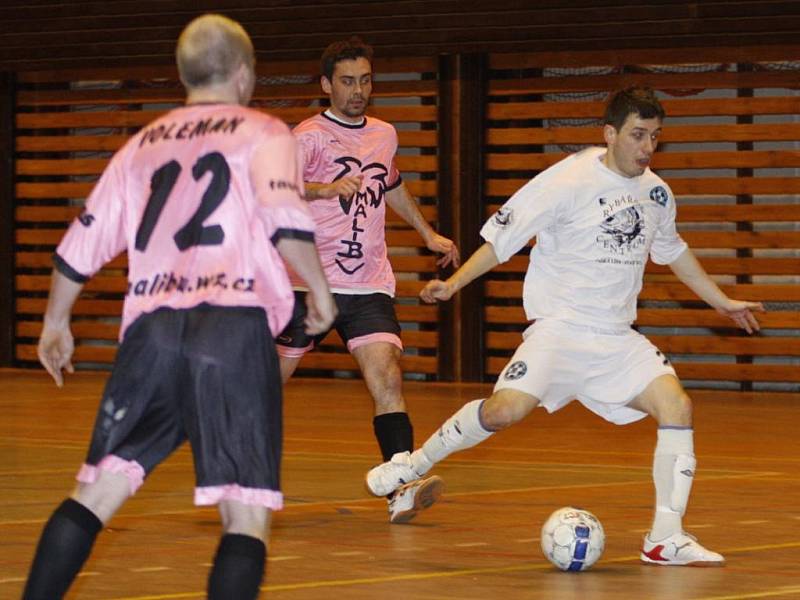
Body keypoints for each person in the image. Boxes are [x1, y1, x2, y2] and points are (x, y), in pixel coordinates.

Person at [366, 87, 765, 565]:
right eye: (638, 135)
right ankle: (413, 465)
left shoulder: (656, 192)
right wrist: (452, 285)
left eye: (655, 137)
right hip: (559, 329)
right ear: (610, 133)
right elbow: (503, 241)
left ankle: (665, 537)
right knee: (502, 412)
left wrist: (721, 301)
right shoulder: (567, 180)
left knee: (676, 405)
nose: (647, 147)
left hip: (616, 336)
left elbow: (673, 250)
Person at [22, 14, 336, 599]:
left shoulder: (141, 144)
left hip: (153, 333)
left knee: (98, 490)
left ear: (183, 74)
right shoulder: (265, 132)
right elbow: (283, 215)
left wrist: (54, 320)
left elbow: (82, 241)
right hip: (233, 329)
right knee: (245, 514)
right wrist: (317, 290)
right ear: (244, 74)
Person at [276, 37, 460, 524]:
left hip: (367, 283)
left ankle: (399, 489)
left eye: (365, 80)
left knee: (387, 378)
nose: (358, 90)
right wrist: (325, 188)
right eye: (347, 81)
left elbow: (392, 184)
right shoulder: (308, 136)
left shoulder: (384, 133)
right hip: (307, 284)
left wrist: (427, 233)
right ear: (326, 84)